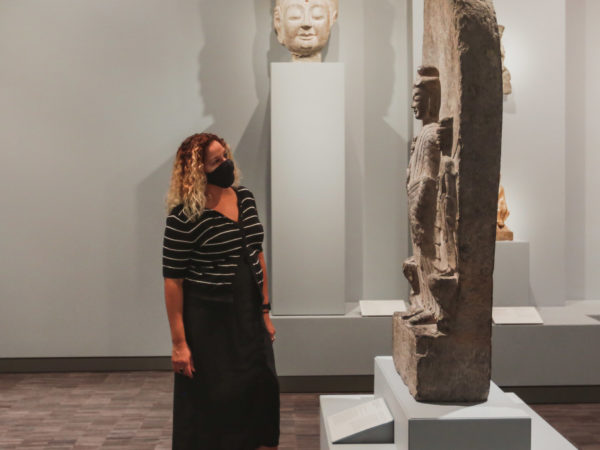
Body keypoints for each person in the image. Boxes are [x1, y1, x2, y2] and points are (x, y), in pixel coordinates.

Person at [162, 132, 279, 449]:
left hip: (248, 315)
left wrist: (265, 310)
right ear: (199, 171)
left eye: (225, 156)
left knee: (261, 388)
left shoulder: (245, 198)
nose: (226, 163)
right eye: (217, 161)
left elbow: (257, 254)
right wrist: (179, 344)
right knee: (215, 401)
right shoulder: (184, 216)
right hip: (209, 322)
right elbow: (173, 280)